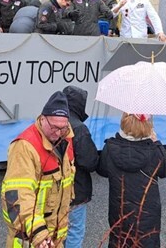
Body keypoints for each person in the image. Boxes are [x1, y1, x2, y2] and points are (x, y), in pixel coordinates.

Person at [1, 91, 75, 248]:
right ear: (42, 119)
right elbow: (19, 195)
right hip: (29, 237)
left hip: (54, 238)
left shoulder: (66, 139)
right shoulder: (24, 147)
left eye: (63, 128)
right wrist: (38, 232)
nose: (58, 133)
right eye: (54, 127)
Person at [97, 113, 166, 248]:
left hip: (119, 210)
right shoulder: (153, 150)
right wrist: (157, 143)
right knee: (146, 241)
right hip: (146, 214)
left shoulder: (110, 147)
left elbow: (102, 170)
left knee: (120, 240)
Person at [62, 86, 98, 248]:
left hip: (53, 188)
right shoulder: (79, 128)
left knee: (55, 229)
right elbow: (89, 162)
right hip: (75, 189)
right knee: (74, 230)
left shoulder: (52, 122)